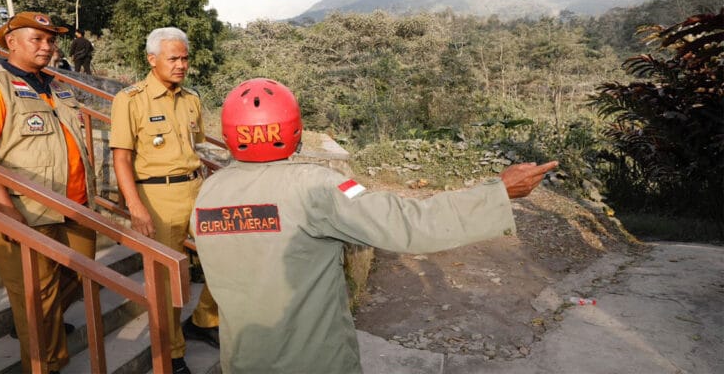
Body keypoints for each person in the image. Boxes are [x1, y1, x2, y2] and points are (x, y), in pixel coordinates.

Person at [190, 78, 559, 374]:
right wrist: (497, 193)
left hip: (242, 362)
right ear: (295, 131)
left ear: (230, 135)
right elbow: (407, 222)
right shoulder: (318, 186)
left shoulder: (208, 193)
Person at [0, 11, 98, 373]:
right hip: (24, 210)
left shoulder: (55, 85)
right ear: (11, 42)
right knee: (39, 295)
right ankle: (45, 363)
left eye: (51, 40)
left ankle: (40, 327)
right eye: (37, 39)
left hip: (73, 205)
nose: (47, 46)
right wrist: (6, 210)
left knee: (82, 275)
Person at [109, 27, 220, 374]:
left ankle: (205, 318)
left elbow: (196, 147)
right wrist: (135, 206)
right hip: (157, 196)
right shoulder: (130, 99)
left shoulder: (191, 99)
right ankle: (172, 352)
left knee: (225, 256)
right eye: (173, 58)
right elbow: (121, 158)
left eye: (185, 58)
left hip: (196, 189)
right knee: (168, 282)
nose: (181, 65)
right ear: (151, 59)